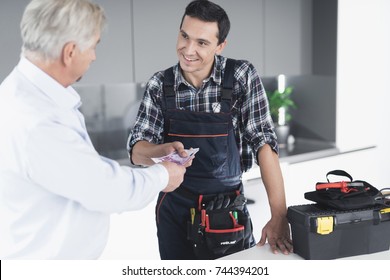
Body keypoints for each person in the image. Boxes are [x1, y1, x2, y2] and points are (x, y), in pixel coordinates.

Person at [0, 0, 189, 260]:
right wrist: (162, 176)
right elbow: (106, 189)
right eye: (93, 46)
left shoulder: (22, 94)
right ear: (70, 52)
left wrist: (156, 157)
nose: (94, 56)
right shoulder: (37, 120)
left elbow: (77, 168)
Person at [127, 0, 293, 260]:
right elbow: (137, 151)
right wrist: (160, 150)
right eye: (184, 36)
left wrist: (279, 215)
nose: (188, 49)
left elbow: (264, 144)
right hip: (174, 209)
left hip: (226, 211)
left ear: (220, 45)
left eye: (202, 43)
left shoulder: (240, 76)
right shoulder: (160, 84)